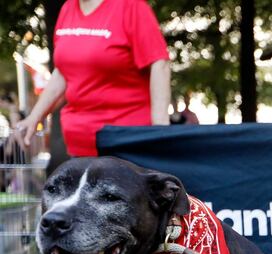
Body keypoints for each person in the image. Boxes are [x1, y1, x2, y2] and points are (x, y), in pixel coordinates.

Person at [15, 0, 170, 156]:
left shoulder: (131, 6)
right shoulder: (68, 8)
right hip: (79, 145)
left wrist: (160, 131)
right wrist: (34, 117)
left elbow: (159, 63)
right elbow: (63, 71)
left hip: (127, 144)